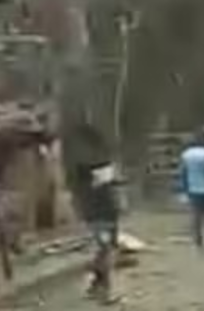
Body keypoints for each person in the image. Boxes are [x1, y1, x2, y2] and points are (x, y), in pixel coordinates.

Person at [66, 123, 120, 304]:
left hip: (103, 215)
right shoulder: (93, 172)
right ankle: (102, 291)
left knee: (106, 250)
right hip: (100, 215)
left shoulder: (93, 171)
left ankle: (97, 286)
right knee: (105, 252)